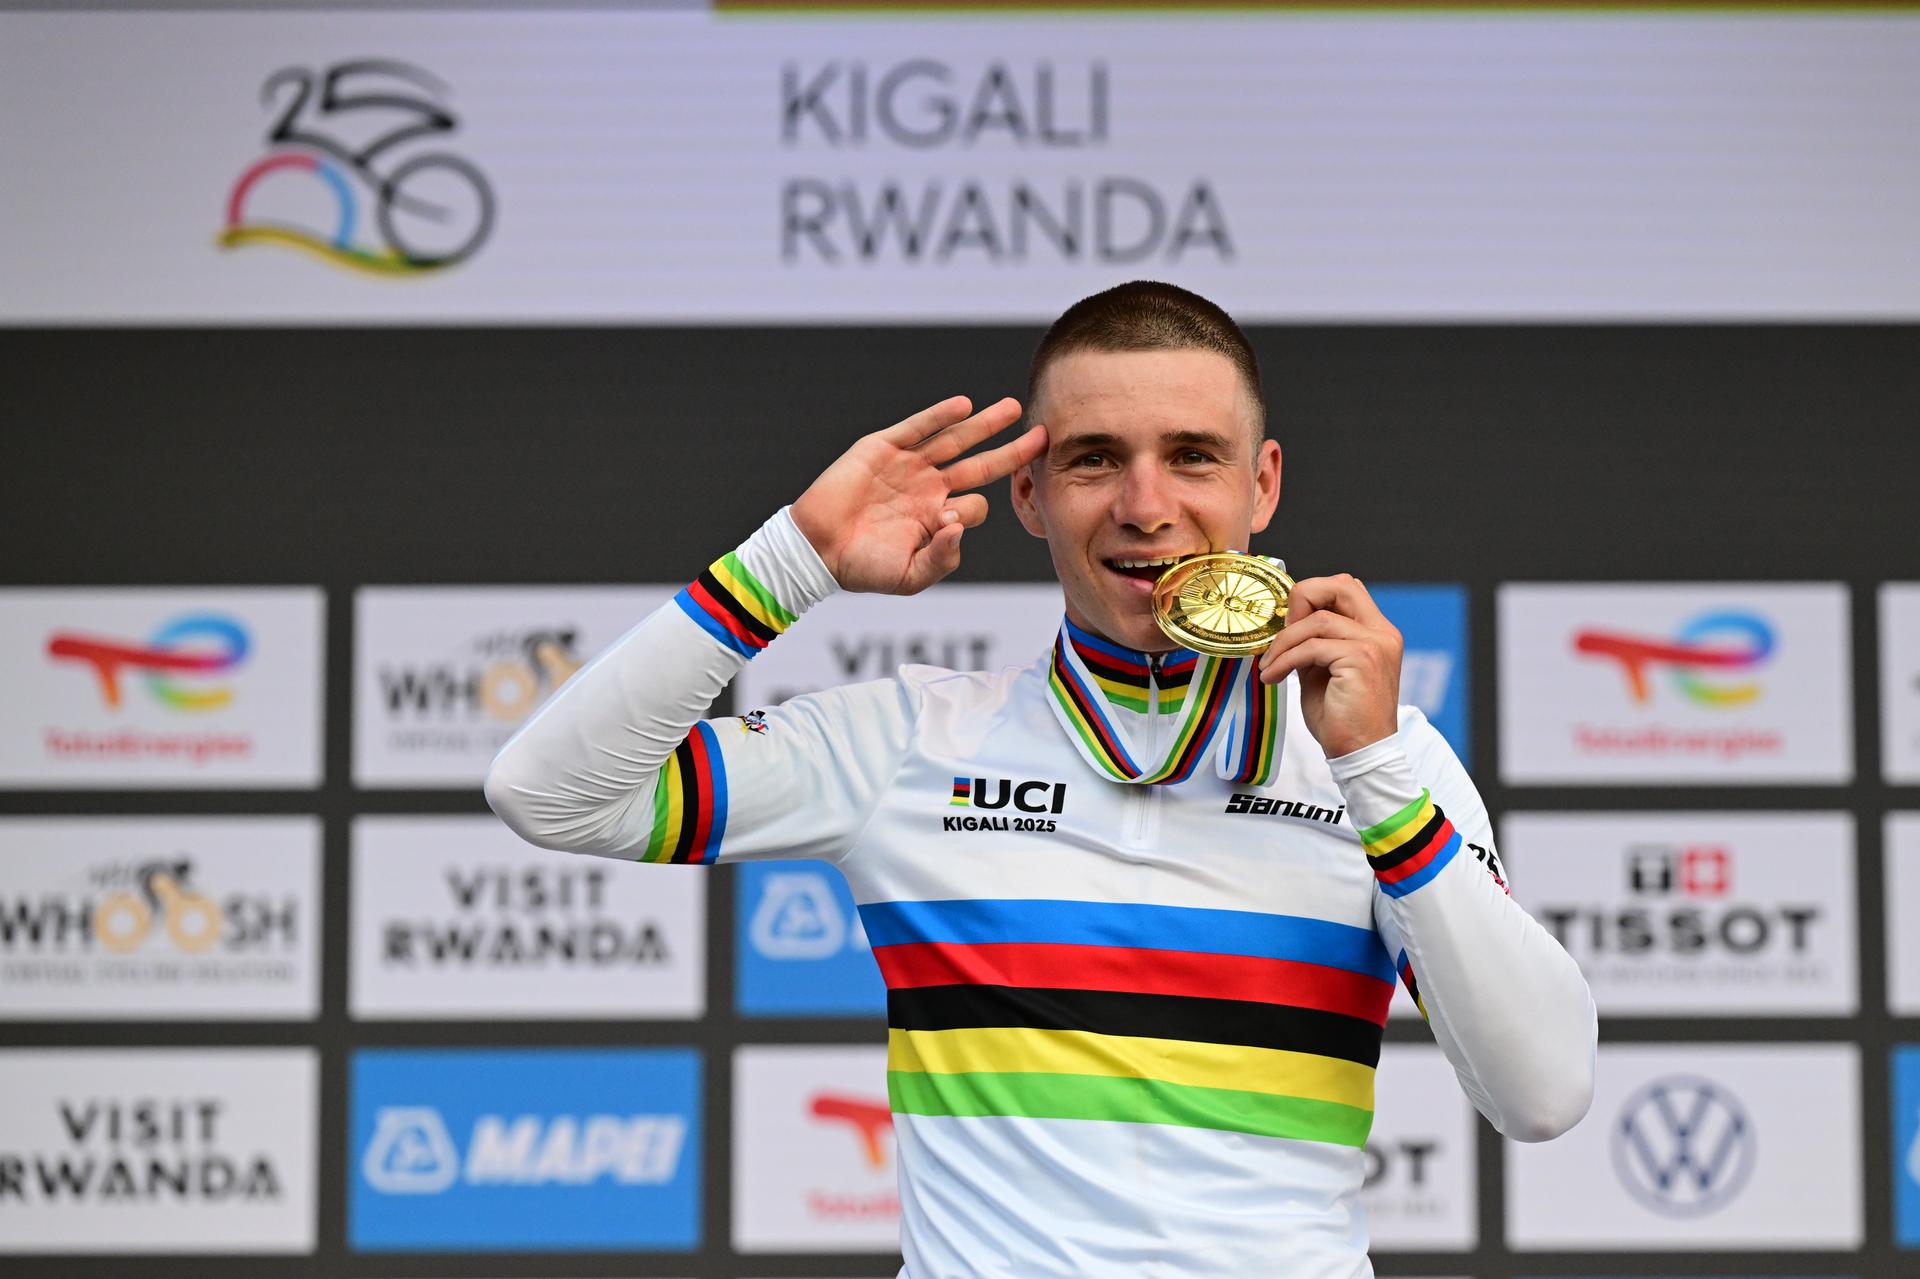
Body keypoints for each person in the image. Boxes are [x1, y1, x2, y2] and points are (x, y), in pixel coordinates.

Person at [486, 281, 1596, 1278]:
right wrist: (791, 562)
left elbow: (1543, 1094)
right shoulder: (911, 743)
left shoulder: (1380, 764)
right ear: (1029, 494)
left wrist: (1375, 771)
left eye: (1193, 456)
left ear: (1262, 485)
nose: (1145, 505)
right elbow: (550, 793)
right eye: (1094, 458)